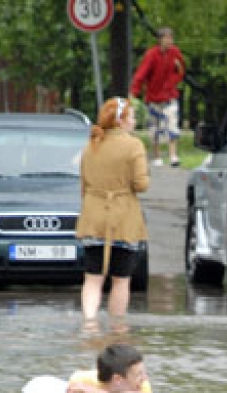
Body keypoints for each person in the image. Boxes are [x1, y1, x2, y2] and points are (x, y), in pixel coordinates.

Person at [77, 96, 150, 331]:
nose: (135, 121)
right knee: (120, 279)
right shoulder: (133, 145)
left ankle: (89, 324)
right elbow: (141, 185)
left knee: (93, 277)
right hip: (123, 220)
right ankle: (117, 329)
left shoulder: (92, 145)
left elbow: (84, 185)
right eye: (132, 116)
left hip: (93, 218)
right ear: (121, 120)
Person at [129, 27, 186, 167]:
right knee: (155, 128)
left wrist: (174, 80)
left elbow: (181, 70)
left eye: (171, 38)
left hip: (170, 96)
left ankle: (173, 155)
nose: (169, 41)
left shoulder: (175, 53)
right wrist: (134, 92)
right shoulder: (152, 55)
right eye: (166, 38)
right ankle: (157, 156)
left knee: (172, 124)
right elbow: (141, 74)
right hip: (154, 98)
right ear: (160, 40)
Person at [65, 343, 155, 393]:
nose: (145, 378)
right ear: (118, 379)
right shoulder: (83, 380)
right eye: (139, 374)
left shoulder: (142, 385)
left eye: (144, 373)